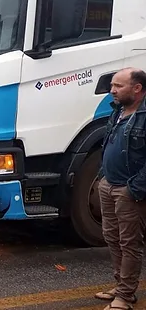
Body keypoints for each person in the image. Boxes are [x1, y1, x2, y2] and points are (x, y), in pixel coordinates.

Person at [96, 67, 146, 310]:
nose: (112, 90)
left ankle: (125, 296)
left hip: (129, 190)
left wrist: (133, 188)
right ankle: (121, 283)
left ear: (137, 89)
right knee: (111, 237)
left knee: (129, 243)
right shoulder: (118, 110)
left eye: (118, 86)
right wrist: (102, 178)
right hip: (108, 185)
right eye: (112, 85)